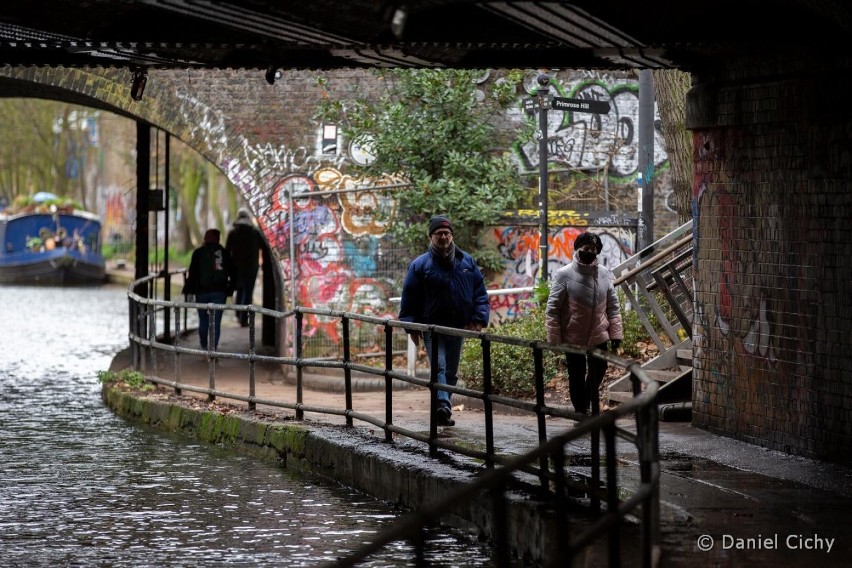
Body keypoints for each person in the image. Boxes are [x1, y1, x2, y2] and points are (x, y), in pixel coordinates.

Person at [398, 215, 490, 426]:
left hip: (458, 326)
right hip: (433, 326)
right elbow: (409, 296)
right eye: (438, 234)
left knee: (451, 370)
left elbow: (480, 293)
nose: (443, 237)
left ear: (451, 236)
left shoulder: (466, 261)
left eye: (446, 234)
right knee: (439, 367)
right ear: (431, 236)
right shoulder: (420, 265)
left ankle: (443, 409)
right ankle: (442, 404)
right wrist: (411, 326)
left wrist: (479, 318)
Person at [545, 231, 623, 416]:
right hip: (573, 335)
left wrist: (616, 335)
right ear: (578, 249)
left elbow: (613, 306)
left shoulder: (604, 274)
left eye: (594, 249)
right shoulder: (564, 274)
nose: (590, 252)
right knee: (576, 375)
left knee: (599, 369)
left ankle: (587, 401)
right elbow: (553, 309)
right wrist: (554, 339)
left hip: (599, 334)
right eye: (586, 248)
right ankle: (581, 410)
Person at [183, 228, 237, 350]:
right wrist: (230, 289)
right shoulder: (224, 253)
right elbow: (233, 272)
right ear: (217, 239)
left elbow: (192, 274)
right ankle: (213, 349)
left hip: (201, 292)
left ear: (206, 238)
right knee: (216, 322)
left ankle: (203, 345)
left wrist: (190, 290)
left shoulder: (198, 253)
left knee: (203, 320)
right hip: (219, 292)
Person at [225, 208, 265, 327]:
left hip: (236, 267)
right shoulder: (255, 232)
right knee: (248, 292)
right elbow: (264, 247)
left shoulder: (233, 232)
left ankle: (238, 315)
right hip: (251, 267)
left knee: (240, 290)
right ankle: (243, 318)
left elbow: (227, 251)